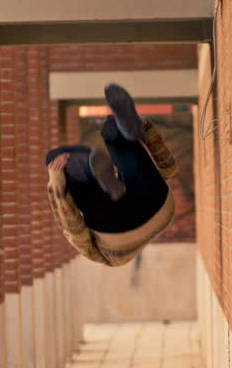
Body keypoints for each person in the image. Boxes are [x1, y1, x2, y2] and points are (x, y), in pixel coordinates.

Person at [46, 84, 178, 267]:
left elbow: (79, 235)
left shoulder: (109, 254)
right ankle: (118, 134)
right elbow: (168, 167)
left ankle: (111, 166)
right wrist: (56, 186)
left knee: (87, 182)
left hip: (137, 224)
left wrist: (58, 185)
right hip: (154, 204)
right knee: (117, 140)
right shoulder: (125, 175)